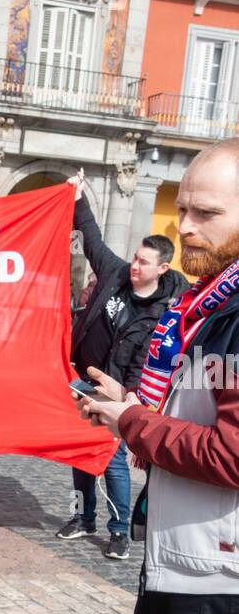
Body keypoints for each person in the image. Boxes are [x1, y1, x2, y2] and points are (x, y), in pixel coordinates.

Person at [47, 138, 239, 614]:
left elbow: (231, 455)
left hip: (220, 566)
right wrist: (133, 402)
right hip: (178, 552)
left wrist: (130, 423)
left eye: (205, 212)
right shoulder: (213, 302)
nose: (184, 225)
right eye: (184, 207)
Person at [56, 169, 188, 560]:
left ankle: (118, 532)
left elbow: (151, 359)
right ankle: (83, 518)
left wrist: (129, 395)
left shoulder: (166, 311)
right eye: (135, 257)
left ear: (162, 268)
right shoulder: (115, 274)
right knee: (80, 455)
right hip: (82, 381)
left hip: (117, 393)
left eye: (144, 263)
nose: (135, 266)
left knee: (113, 464)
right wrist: (78, 196)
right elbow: (91, 236)